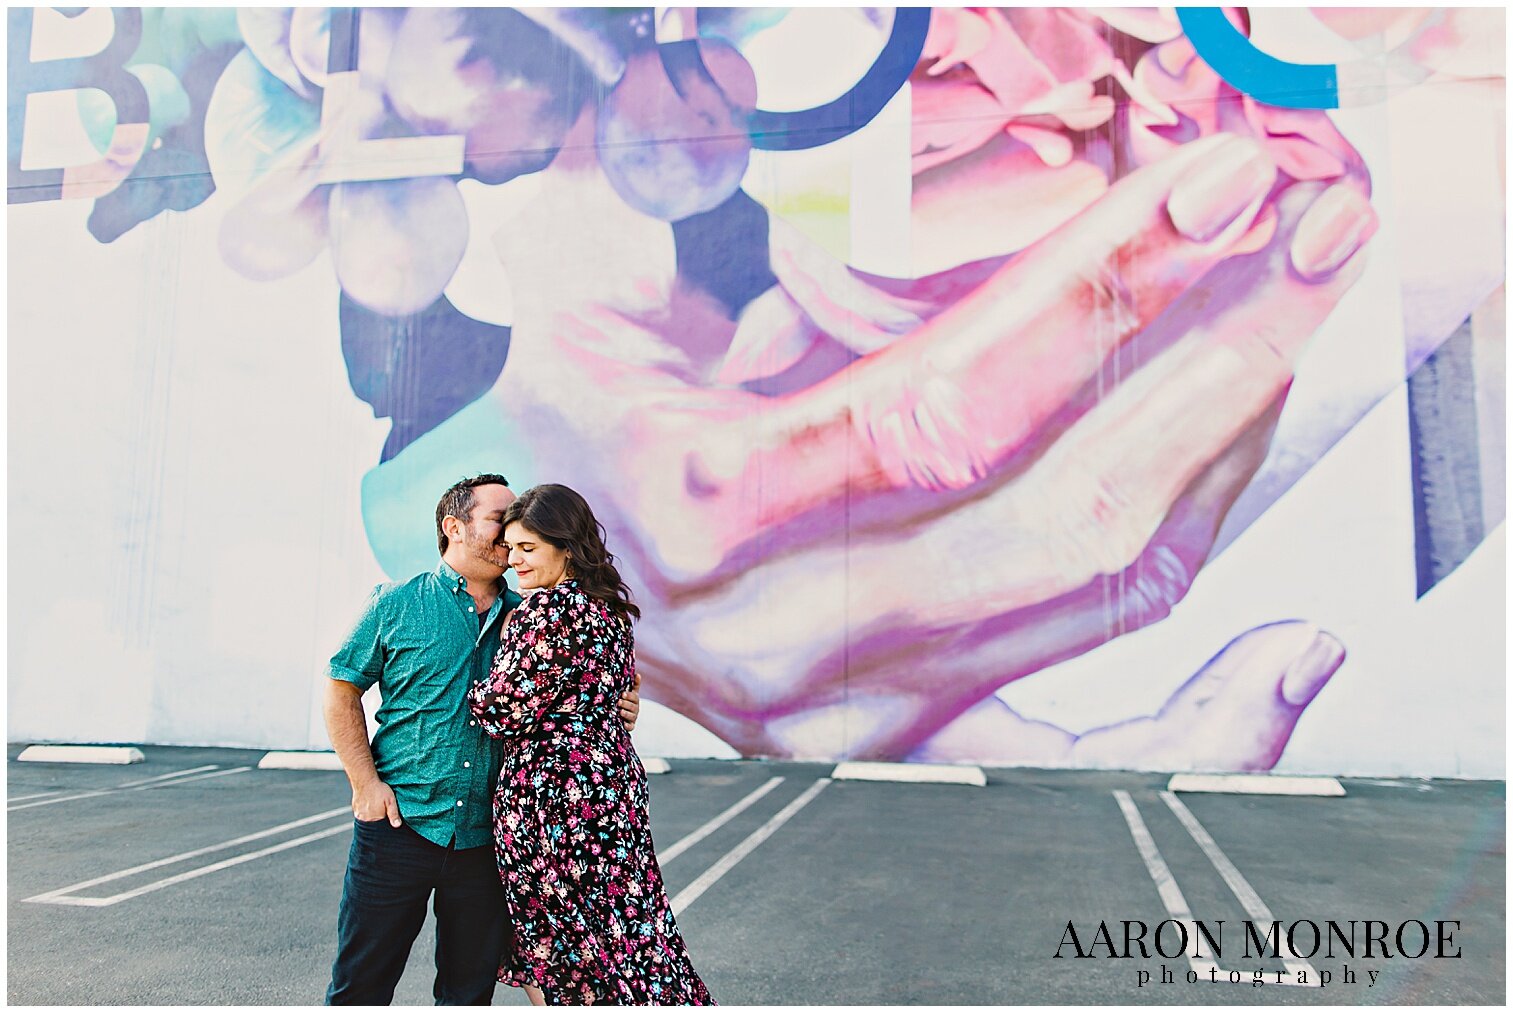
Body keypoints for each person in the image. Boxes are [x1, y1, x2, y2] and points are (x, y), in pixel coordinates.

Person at [323, 474, 641, 1006]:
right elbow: (341, 690)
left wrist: (624, 702)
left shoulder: (535, 615)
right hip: (400, 826)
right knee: (361, 984)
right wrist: (365, 785)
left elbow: (599, 680)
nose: (511, 531)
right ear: (455, 527)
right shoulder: (396, 602)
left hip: (487, 839)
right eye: (499, 519)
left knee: (468, 993)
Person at [468, 483, 712, 1006]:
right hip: (613, 794)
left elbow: (500, 710)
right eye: (510, 549)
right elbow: (612, 700)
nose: (514, 562)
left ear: (567, 546)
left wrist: (474, 682)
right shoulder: (610, 612)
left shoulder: (542, 614)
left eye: (528, 549)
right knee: (634, 936)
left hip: (553, 803)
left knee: (559, 946)